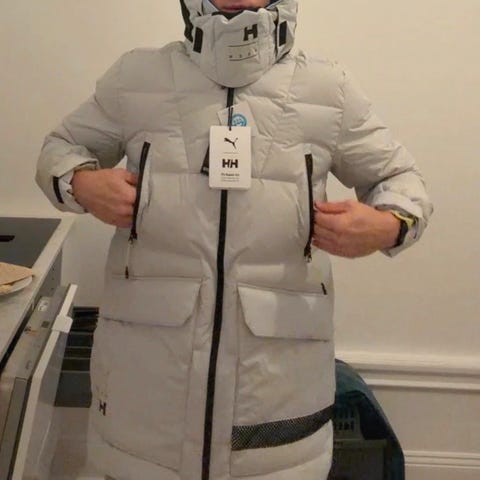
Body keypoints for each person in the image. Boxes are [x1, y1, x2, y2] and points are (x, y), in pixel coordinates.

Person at [36, 1, 433, 479]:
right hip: (143, 396)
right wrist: (81, 182)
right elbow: (59, 149)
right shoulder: (137, 77)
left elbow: (403, 181)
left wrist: (388, 224)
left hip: (276, 398)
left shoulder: (329, 89)